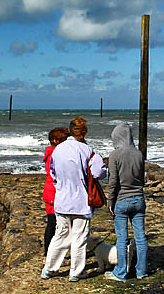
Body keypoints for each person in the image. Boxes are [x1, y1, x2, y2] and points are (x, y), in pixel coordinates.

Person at [42, 116, 106, 282]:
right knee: (79, 236)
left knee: (60, 234)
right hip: (80, 200)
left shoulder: (58, 150)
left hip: (61, 199)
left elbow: (53, 174)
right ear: (84, 132)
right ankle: (76, 272)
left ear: (70, 130)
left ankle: (49, 268)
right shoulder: (86, 150)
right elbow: (99, 172)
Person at [104, 122, 147, 282]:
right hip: (139, 199)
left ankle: (120, 273)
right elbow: (142, 179)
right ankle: (141, 271)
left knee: (122, 238)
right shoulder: (138, 154)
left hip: (122, 200)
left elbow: (113, 181)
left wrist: (110, 201)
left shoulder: (115, 155)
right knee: (140, 237)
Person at [42, 126, 69, 257]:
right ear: (55, 141)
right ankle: (48, 254)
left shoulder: (53, 153)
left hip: (52, 191)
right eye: (63, 140)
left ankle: (51, 253)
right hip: (53, 192)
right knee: (53, 224)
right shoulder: (54, 154)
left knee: (56, 224)